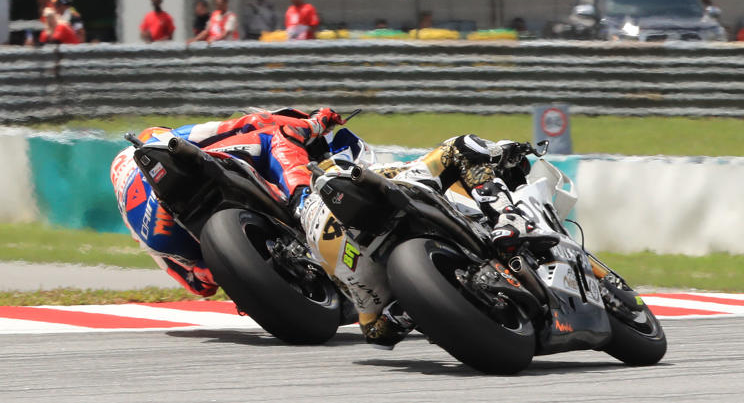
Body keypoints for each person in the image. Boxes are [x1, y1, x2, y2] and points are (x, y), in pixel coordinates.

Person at [299, 134, 558, 347]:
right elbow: (447, 158)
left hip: (342, 254)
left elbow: (374, 335)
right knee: (462, 145)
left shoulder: (315, 225)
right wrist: (503, 151)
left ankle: (405, 312)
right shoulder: (373, 169)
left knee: (374, 329)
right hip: (368, 202)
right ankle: (509, 218)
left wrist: (412, 307)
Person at [109, 107, 347, 296]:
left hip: (165, 238)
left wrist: (222, 273)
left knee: (203, 273)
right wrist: (315, 122)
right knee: (275, 134)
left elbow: (199, 287)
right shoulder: (161, 138)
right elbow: (246, 123)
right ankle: (305, 203)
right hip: (184, 195)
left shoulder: (135, 224)